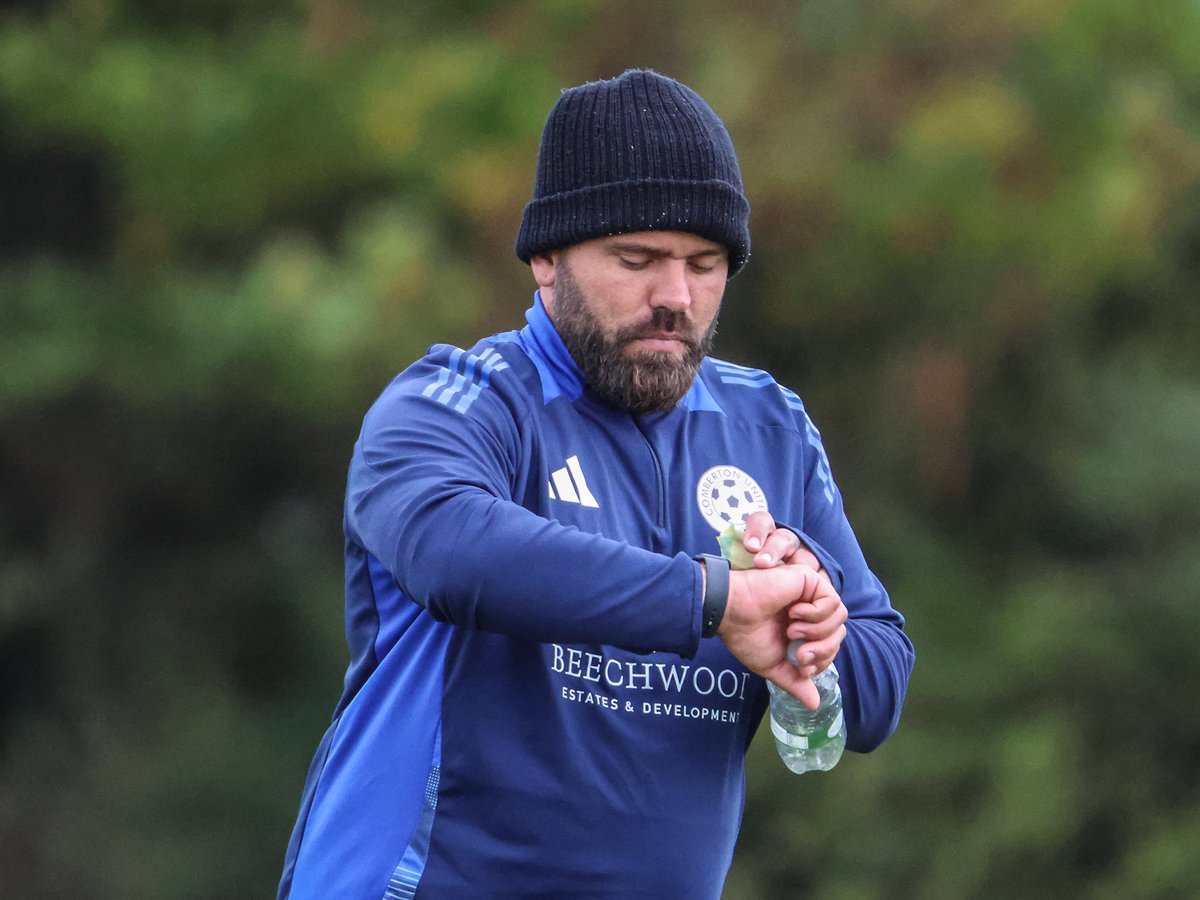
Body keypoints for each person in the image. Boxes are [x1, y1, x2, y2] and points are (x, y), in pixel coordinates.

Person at [277, 68, 914, 900]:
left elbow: (877, 681)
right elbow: (455, 553)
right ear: (548, 260)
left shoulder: (769, 428)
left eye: (705, 263)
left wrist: (811, 626)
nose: (675, 297)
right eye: (637, 259)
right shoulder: (459, 400)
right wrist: (712, 599)